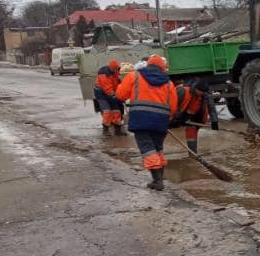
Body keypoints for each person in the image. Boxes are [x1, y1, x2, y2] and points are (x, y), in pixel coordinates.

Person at [115, 54, 177, 191]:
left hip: (141, 120)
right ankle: (159, 178)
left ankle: (158, 180)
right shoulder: (169, 83)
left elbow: (120, 95)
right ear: (162, 68)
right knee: (157, 148)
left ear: (148, 65)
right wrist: (168, 118)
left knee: (148, 150)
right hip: (161, 121)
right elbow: (173, 106)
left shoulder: (134, 76)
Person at [172, 79, 219, 153]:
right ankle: (157, 153)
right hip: (176, 115)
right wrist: (173, 117)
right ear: (196, 88)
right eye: (200, 91)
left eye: (203, 92)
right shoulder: (182, 91)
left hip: (192, 117)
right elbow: (170, 104)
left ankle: (193, 154)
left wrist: (214, 121)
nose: (202, 94)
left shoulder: (205, 94)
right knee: (160, 132)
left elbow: (211, 107)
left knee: (192, 134)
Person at [94, 59, 127, 136]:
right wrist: (115, 96)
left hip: (111, 93)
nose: (116, 70)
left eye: (116, 69)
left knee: (116, 111)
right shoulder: (104, 75)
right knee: (107, 111)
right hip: (101, 95)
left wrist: (121, 93)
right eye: (114, 69)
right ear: (111, 68)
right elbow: (107, 88)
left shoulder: (115, 72)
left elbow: (118, 83)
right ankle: (105, 129)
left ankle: (117, 129)